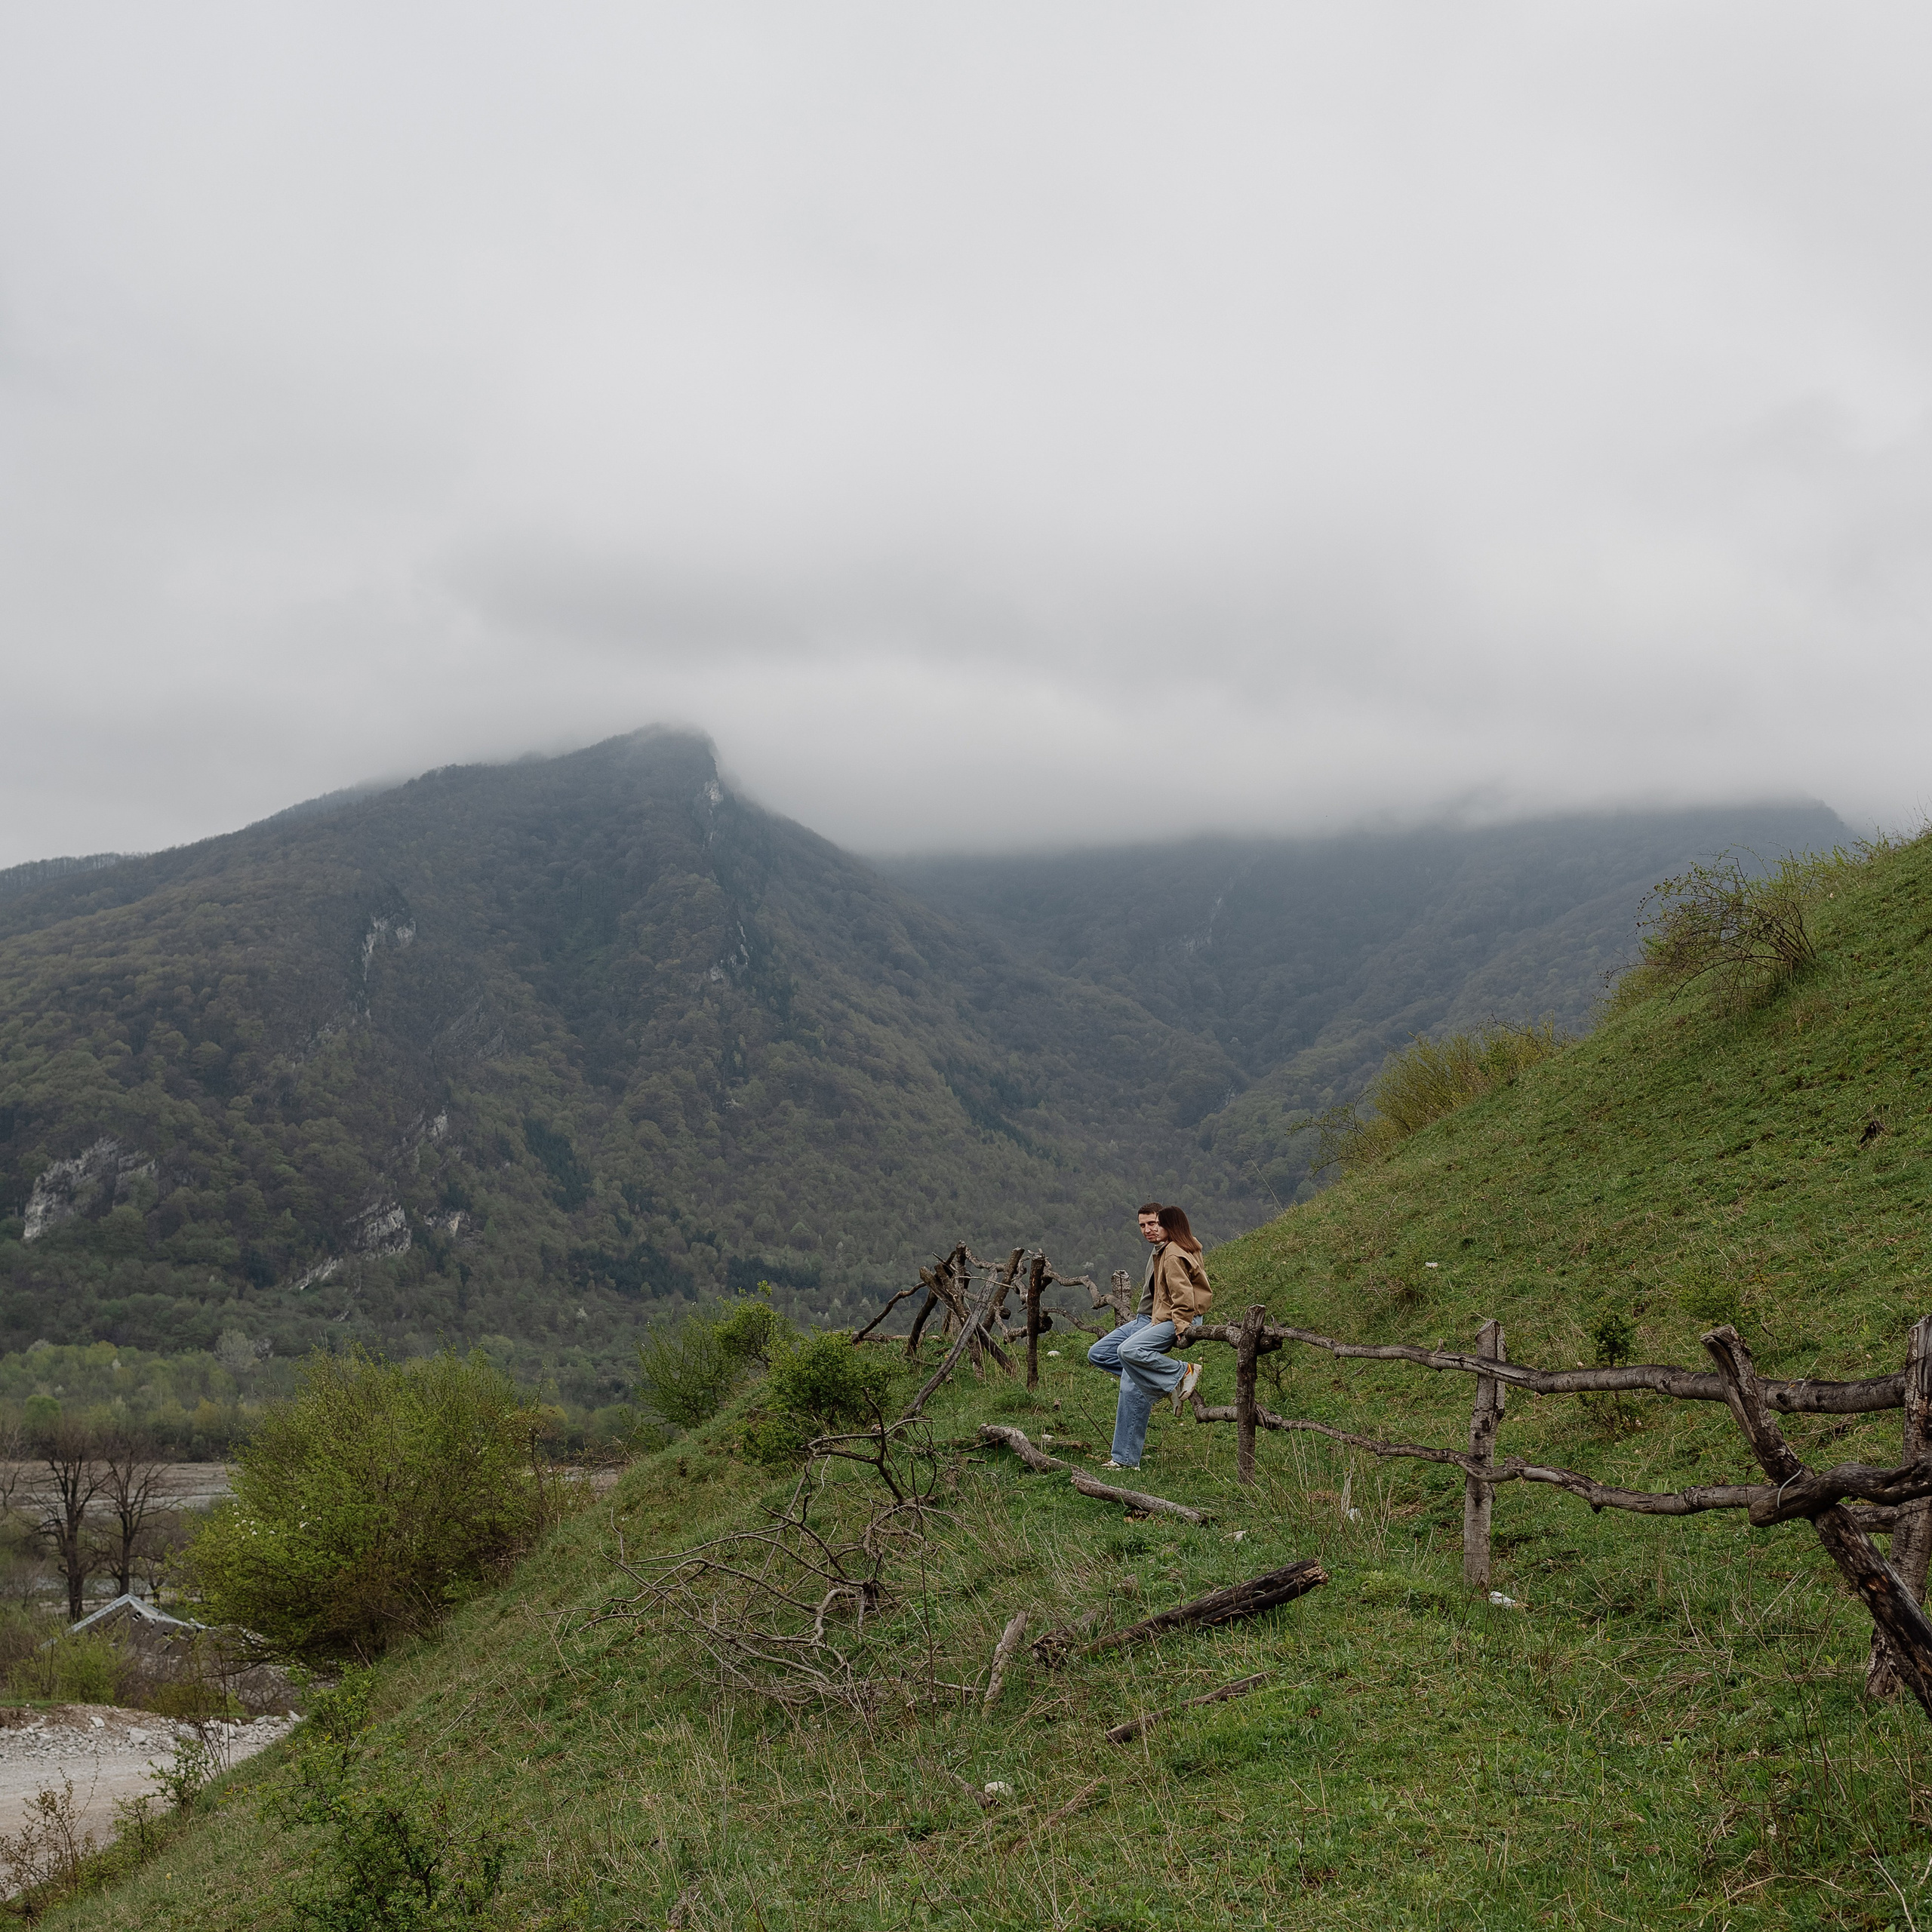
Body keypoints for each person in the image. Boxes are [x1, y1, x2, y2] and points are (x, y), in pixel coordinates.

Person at [1097, 1204, 1213, 1469]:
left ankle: (1126, 1459)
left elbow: (1183, 1295)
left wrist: (1181, 1326)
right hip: (1154, 1318)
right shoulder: (1166, 1248)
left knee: (1130, 1364)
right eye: (1143, 1225)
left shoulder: (1172, 1252)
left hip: (1171, 1319)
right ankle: (1159, 1379)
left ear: (1166, 1224)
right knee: (1101, 1354)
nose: (1150, 1229)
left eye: (1154, 1224)